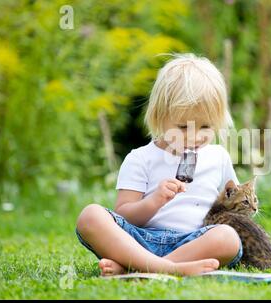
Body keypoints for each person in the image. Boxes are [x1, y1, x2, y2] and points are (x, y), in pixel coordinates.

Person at [75, 53, 242, 276]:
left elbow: (235, 205)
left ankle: (137, 270)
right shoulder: (141, 158)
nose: (195, 136)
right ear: (159, 116)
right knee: (90, 216)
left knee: (227, 237)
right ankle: (165, 269)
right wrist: (155, 201)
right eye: (183, 127)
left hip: (193, 243)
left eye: (206, 127)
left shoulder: (218, 157)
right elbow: (125, 215)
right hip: (139, 241)